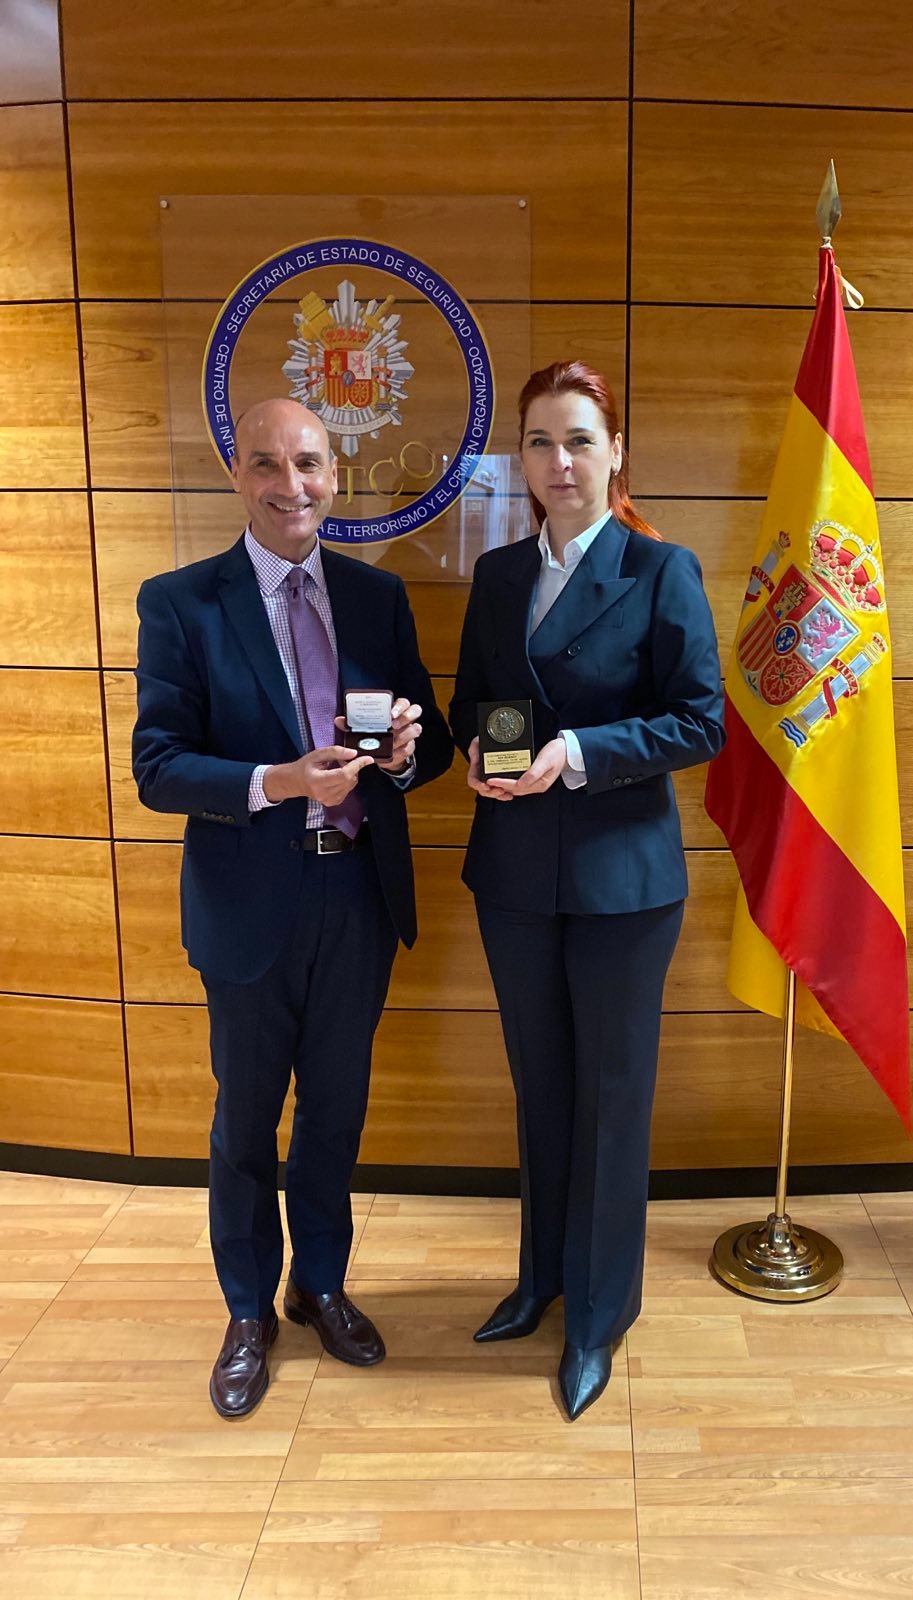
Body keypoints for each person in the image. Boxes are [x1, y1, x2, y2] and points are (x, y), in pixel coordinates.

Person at [133, 397, 454, 1419]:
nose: (291, 484)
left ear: (334, 473)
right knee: (245, 1119)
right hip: (248, 905)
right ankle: (246, 1310)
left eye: (308, 462)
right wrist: (276, 780)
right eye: (267, 464)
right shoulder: (182, 602)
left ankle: (318, 1284)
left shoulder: (377, 597)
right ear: (238, 474)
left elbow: (433, 746)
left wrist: (404, 756)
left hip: (357, 893)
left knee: (335, 1111)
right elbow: (158, 766)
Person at [449, 361, 724, 1420]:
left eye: (578, 440)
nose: (558, 462)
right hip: (515, 875)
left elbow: (700, 720)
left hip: (622, 882)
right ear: (520, 459)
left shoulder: (661, 570)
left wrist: (576, 753)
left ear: (616, 455)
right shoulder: (499, 575)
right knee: (541, 1086)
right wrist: (479, 757)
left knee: (610, 1100)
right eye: (539, 442)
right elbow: (476, 704)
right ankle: (542, 1281)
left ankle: (600, 1315)